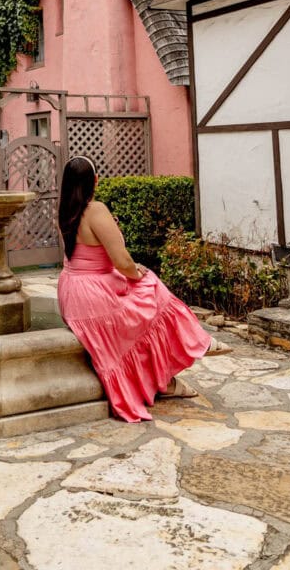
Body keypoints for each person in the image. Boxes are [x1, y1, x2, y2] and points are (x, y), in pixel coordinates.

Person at [57, 155, 231, 422]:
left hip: (72, 291)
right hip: (94, 292)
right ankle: (197, 343)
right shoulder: (96, 210)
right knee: (151, 286)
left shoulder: (64, 210)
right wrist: (137, 271)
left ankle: (167, 375)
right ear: (95, 181)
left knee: (141, 310)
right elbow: (122, 261)